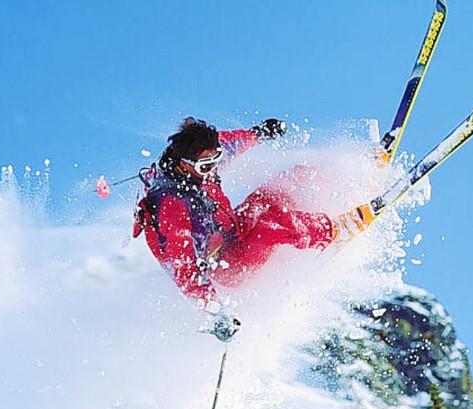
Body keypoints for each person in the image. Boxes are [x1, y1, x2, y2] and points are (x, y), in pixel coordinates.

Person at [133, 117, 373, 341]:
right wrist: (216, 313)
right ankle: (335, 231)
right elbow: (184, 271)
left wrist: (259, 133)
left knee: (285, 182)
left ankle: (359, 172)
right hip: (229, 264)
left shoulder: (202, 160)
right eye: (206, 166)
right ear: (184, 166)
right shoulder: (172, 207)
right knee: (269, 225)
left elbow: (230, 144)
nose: (213, 169)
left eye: (215, 160)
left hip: (230, 228)